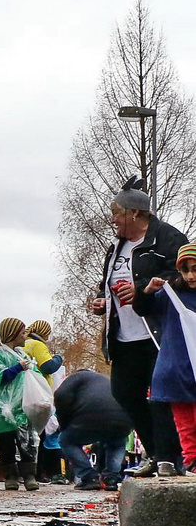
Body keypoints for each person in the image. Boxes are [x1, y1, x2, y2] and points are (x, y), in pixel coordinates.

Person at [89, 177, 186, 476]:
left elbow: (184, 276)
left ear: (133, 213)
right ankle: (155, 452)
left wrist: (142, 288)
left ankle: (170, 457)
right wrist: (101, 301)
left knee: (159, 396)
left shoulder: (167, 238)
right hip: (123, 335)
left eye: (116, 213)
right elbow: (109, 283)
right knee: (124, 393)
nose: (112, 219)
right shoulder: (115, 247)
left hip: (158, 332)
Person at [135, 243, 196, 474]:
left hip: (184, 367)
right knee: (184, 423)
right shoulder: (171, 295)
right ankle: (191, 461)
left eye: (195, 269)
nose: (190, 275)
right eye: (185, 270)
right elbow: (143, 308)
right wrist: (148, 290)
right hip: (176, 368)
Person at [0, 317, 42, 491]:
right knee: (6, 443)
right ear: (13, 334)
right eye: (22, 333)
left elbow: (34, 375)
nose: (25, 336)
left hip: (22, 406)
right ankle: (11, 476)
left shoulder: (22, 355)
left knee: (27, 442)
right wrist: (16, 368)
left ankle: (30, 475)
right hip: (3, 408)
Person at [21, 319, 67, 483]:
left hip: (22, 392)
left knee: (23, 433)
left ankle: (25, 472)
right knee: (36, 434)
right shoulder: (37, 345)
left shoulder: (23, 344)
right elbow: (48, 366)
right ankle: (36, 472)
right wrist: (58, 358)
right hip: (38, 392)